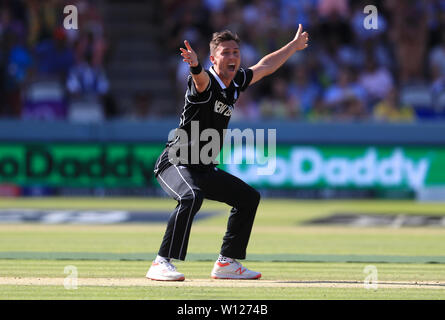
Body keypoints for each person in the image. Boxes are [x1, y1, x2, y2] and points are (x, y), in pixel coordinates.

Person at [146, 25, 309, 281]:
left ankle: (226, 263)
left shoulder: (235, 83)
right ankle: (161, 262)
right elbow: (200, 81)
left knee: (248, 198)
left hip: (203, 168)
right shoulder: (205, 80)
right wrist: (195, 66)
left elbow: (265, 66)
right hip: (175, 162)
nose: (233, 57)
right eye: (226, 53)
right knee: (191, 197)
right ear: (214, 58)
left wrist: (293, 46)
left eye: (236, 52)